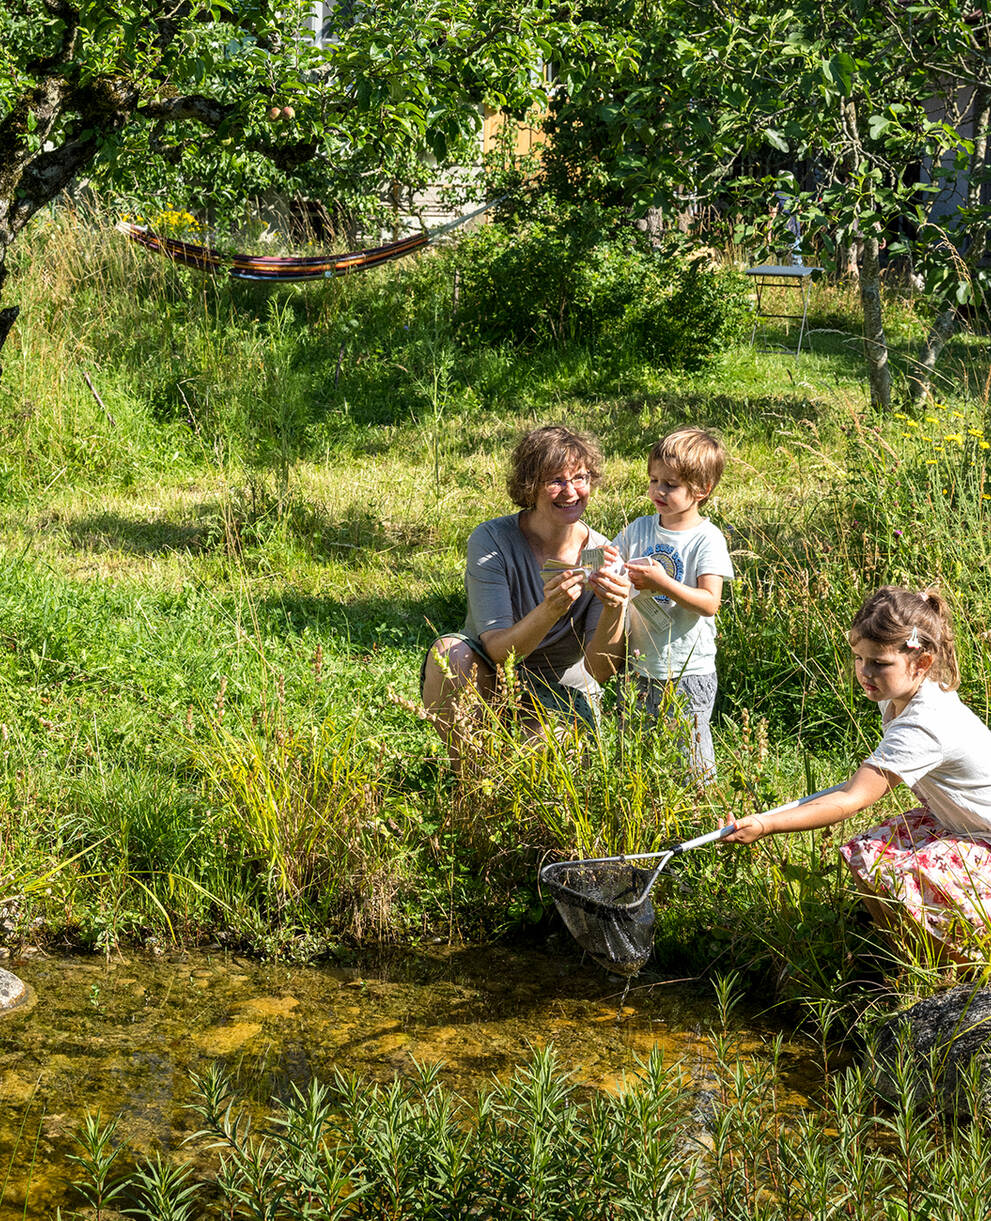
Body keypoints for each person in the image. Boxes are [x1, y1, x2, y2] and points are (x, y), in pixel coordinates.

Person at [726, 586, 991, 966]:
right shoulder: (900, 693)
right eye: (858, 658)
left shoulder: (926, 724)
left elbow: (851, 799)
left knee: (910, 875)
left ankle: (961, 971)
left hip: (984, 835)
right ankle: (908, 957)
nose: (865, 672)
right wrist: (764, 818)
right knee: (868, 853)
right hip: (957, 821)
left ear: (922, 662)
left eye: (879, 663)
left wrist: (766, 826)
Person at [421, 424, 620, 746]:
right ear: (530, 486)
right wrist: (551, 609)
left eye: (580, 478)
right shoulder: (492, 539)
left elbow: (601, 670)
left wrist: (615, 607)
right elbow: (498, 651)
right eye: (556, 481)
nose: (571, 492)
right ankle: (468, 784)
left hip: (562, 689)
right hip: (490, 675)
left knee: (536, 762)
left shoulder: (602, 554)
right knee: (450, 653)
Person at [586, 427, 733, 781]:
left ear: (701, 490)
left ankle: (701, 818)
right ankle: (644, 816)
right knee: (633, 755)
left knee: (691, 761)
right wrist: (601, 564)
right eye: (654, 480)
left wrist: (662, 583)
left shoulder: (706, 539)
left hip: (687, 669)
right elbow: (610, 561)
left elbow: (710, 603)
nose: (658, 491)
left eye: (671, 484)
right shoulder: (639, 529)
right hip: (638, 666)